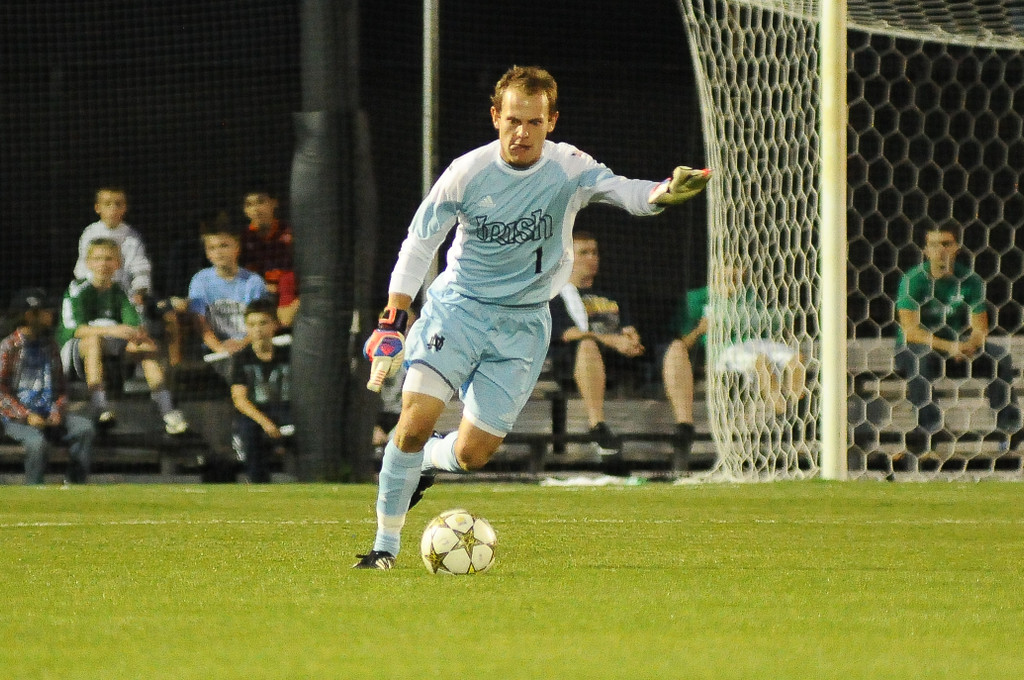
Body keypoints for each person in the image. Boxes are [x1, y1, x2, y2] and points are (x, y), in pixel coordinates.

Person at [353, 65, 710, 569]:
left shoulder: (568, 167)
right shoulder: (467, 172)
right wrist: (395, 314)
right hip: (457, 311)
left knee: (473, 455)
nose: (522, 133)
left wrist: (661, 193)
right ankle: (383, 549)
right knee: (411, 422)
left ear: (552, 121)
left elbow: (622, 190)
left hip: (522, 325)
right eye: (513, 120)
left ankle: (430, 459)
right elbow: (420, 241)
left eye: (535, 123)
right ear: (496, 116)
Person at [894, 222, 1022, 453]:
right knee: (921, 359)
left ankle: (1010, 427)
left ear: (956, 248)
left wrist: (969, 346)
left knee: (999, 358)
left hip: (958, 350)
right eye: (934, 245)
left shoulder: (970, 280)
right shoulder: (913, 280)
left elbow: (980, 328)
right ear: (925, 250)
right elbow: (910, 331)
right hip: (919, 348)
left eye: (946, 244)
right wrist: (950, 346)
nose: (940, 249)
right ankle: (930, 428)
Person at [663, 265, 806, 461]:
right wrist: (700, 329)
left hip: (757, 343)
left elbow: (777, 319)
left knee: (796, 359)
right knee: (760, 362)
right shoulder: (701, 303)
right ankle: (779, 409)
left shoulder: (750, 300)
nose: (732, 281)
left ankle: (795, 408)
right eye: (726, 277)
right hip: (727, 349)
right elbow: (682, 344)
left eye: (736, 276)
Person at [57, 238, 189, 434]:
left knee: (146, 347)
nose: (103, 264)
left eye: (109, 259)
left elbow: (136, 326)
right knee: (94, 341)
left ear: (118, 263)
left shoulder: (122, 291)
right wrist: (112, 330)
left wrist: (137, 338)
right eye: (98, 259)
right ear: (89, 263)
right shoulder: (77, 289)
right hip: (78, 351)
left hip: (115, 350)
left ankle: (168, 410)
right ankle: (99, 406)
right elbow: (75, 329)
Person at [548, 230, 644, 456]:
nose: (592, 258)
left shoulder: (611, 293)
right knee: (587, 345)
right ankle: (597, 425)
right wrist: (612, 341)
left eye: (594, 252)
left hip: (616, 361)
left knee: (672, 347)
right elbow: (568, 333)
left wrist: (632, 339)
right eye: (584, 253)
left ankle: (684, 427)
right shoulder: (554, 293)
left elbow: (628, 326)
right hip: (574, 364)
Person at [0, 289, 95, 485]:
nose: (51, 314)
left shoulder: (50, 346)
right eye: (45, 310)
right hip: (15, 419)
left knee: (84, 429)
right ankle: (35, 491)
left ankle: (75, 486)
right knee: (36, 444)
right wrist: (26, 416)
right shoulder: (9, 347)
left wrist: (57, 411)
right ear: (30, 315)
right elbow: (1, 392)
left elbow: (60, 388)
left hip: (48, 415)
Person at [187, 211, 270, 362]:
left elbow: (261, 321)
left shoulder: (254, 281)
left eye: (224, 246)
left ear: (237, 247)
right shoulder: (200, 280)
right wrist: (219, 348)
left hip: (250, 350)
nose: (218, 252)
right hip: (215, 353)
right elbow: (199, 322)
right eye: (212, 248)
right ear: (207, 253)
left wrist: (241, 345)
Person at [229, 299, 292, 483]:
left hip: (287, 410)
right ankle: (257, 481)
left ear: (274, 325)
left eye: (263, 323)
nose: (257, 329)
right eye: (252, 324)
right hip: (257, 414)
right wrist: (265, 422)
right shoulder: (242, 358)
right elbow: (239, 400)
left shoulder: (288, 354)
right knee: (248, 430)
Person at [73, 186, 153, 307]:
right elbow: (82, 268)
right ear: (97, 208)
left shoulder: (133, 238)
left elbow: (140, 270)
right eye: (107, 204)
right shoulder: (89, 234)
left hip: (124, 297)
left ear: (125, 208)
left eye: (118, 204)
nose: (113, 209)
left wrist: (139, 292)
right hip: (93, 294)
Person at [240, 186, 300, 327]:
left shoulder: (291, 233)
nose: (256, 209)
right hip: (257, 298)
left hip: (287, 294)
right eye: (249, 204)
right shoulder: (242, 239)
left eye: (261, 202)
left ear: (274, 203)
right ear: (245, 210)